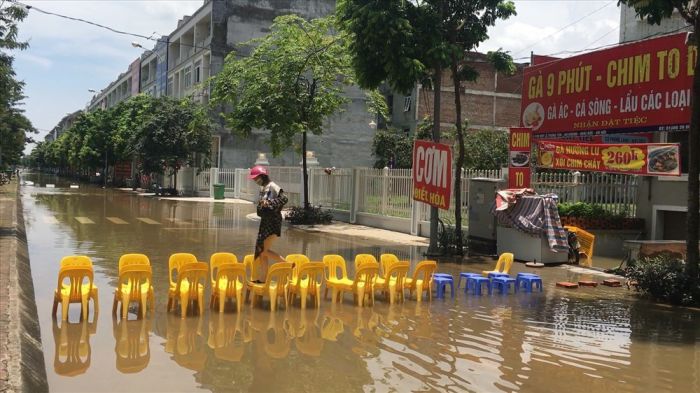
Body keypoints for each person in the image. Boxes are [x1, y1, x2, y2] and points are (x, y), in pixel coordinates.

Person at [249, 166, 288, 283]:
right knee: (261, 251)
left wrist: (269, 202)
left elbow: (284, 199)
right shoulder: (264, 188)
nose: (255, 181)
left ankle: (287, 264)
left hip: (273, 222)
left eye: (256, 178)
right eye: (254, 179)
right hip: (265, 221)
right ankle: (263, 279)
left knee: (263, 250)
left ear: (262, 176)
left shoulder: (273, 186)